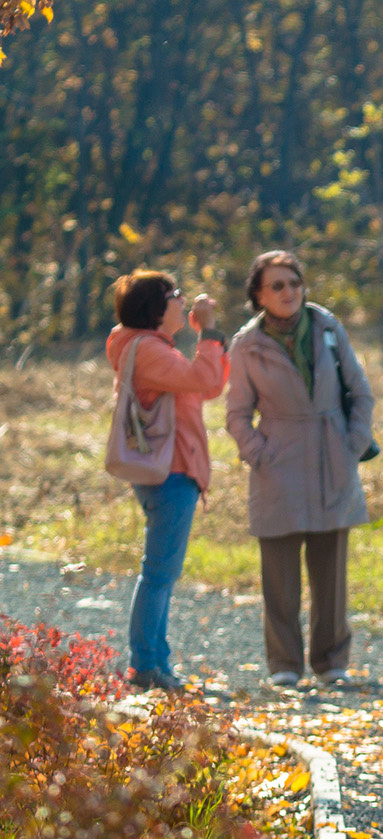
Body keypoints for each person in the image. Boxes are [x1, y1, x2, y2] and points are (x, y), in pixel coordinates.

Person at [224, 250, 375, 688]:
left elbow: (360, 392)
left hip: (333, 456)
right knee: (280, 576)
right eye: (277, 285)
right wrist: (259, 452)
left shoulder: (328, 327)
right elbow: (236, 415)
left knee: (331, 573)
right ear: (258, 294)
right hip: (279, 463)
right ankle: (284, 665)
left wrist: (353, 444)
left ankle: (331, 664)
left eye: (294, 282)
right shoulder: (246, 345)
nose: (289, 292)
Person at [104, 270, 228, 691]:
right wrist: (209, 332)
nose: (183, 300)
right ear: (157, 307)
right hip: (170, 471)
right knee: (159, 572)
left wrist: (206, 339)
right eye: (176, 294)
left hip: (171, 468)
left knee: (160, 570)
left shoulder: (150, 348)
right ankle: (147, 665)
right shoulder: (152, 352)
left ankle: (152, 662)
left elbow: (207, 385)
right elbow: (206, 380)